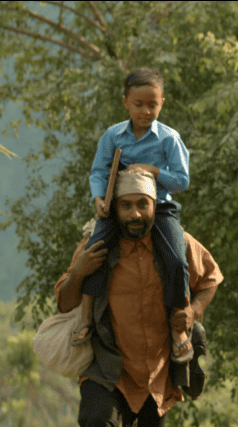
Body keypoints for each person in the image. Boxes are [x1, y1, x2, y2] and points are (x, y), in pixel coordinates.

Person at [55, 169, 221, 427]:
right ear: (115, 210)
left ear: (155, 205)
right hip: (107, 372)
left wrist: (192, 311)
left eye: (143, 204)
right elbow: (64, 303)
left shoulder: (175, 247)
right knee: (96, 419)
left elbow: (211, 279)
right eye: (126, 206)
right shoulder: (96, 247)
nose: (135, 214)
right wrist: (79, 272)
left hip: (156, 376)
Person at [72, 67, 194, 364]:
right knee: (95, 249)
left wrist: (153, 171)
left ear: (162, 103)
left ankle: (178, 326)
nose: (146, 110)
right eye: (138, 104)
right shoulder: (113, 136)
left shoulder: (168, 139)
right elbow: (99, 171)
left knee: (176, 259)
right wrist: (100, 199)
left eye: (152, 104)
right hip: (119, 206)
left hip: (159, 207)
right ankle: (86, 315)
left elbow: (182, 180)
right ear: (125, 101)